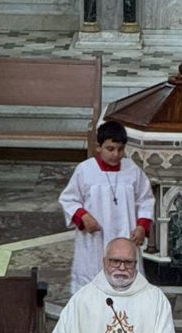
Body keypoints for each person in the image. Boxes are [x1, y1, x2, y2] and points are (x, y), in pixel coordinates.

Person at [36, 238, 181, 333]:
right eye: (115, 261)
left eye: (128, 262)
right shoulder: (84, 299)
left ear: (136, 264)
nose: (122, 267)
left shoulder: (155, 300)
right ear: (104, 262)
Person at [59, 118, 154, 293]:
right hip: (95, 239)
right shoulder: (85, 170)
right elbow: (69, 199)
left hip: (126, 235)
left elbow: (145, 199)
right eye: (110, 149)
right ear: (98, 147)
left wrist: (141, 226)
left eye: (120, 149)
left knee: (127, 283)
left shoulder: (132, 170)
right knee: (92, 284)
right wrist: (83, 216)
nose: (116, 154)